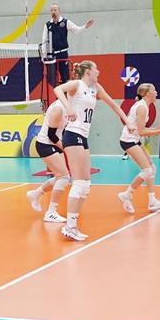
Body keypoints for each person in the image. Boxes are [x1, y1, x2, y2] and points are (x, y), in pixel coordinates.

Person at [53, 60, 129, 242]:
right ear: (87, 71)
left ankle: (73, 225)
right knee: (79, 182)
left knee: (86, 184)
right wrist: (68, 107)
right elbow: (58, 89)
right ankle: (70, 227)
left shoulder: (96, 88)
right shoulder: (77, 84)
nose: (99, 72)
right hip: (73, 133)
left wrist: (128, 122)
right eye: (96, 69)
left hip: (83, 136)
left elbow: (114, 105)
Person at [115, 83, 160, 215]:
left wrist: (158, 129)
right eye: (154, 90)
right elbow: (141, 132)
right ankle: (126, 194)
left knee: (152, 168)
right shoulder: (142, 107)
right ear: (147, 94)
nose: (157, 93)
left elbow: (140, 129)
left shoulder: (144, 106)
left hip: (134, 139)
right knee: (147, 170)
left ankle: (152, 202)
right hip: (128, 141)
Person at [25, 99, 70, 223]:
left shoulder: (69, 106)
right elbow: (51, 135)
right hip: (45, 144)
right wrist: (67, 149)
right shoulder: (58, 108)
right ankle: (51, 213)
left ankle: (35, 194)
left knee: (60, 177)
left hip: (54, 143)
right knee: (64, 177)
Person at [40, 4, 94, 94]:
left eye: (55, 10)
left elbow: (76, 30)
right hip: (52, 55)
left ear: (59, 11)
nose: (53, 12)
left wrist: (85, 26)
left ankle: (67, 97)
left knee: (65, 77)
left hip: (63, 54)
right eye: (51, 10)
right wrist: (44, 54)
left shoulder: (65, 22)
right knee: (51, 79)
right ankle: (54, 98)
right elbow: (44, 40)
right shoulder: (48, 25)